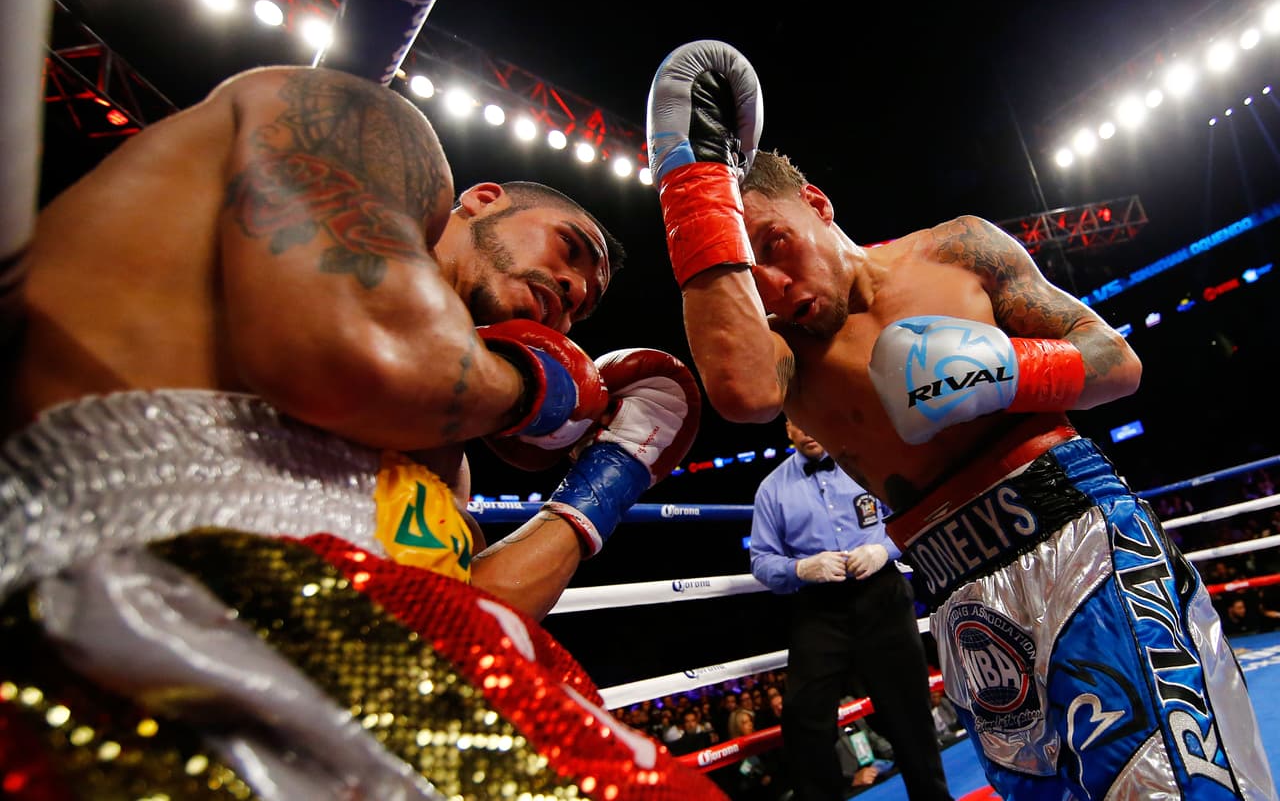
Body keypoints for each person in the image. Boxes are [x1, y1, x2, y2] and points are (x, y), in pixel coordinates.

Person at [0, 64, 717, 798]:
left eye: (581, 310)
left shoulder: (439, 456)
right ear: (481, 199)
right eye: (569, 250)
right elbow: (349, 356)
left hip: (324, 660)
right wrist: (541, 381)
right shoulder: (364, 123)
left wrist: (612, 474)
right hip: (127, 607)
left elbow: (468, 613)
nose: (569, 293)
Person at [645, 39, 1276, 800]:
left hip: (1080, 533)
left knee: (1175, 786)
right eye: (755, 274)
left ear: (816, 203)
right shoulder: (783, 356)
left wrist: (1007, 370)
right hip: (962, 597)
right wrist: (690, 181)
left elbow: (1116, 361)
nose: (776, 288)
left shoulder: (957, 249)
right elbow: (740, 389)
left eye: (776, 244)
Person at [750, 418, 951, 801]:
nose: (808, 430)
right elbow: (760, 559)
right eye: (797, 424)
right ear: (787, 430)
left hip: (882, 595)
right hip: (819, 606)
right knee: (804, 713)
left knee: (908, 710)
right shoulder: (772, 489)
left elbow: (909, 517)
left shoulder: (867, 462)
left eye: (812, 419)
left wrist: (884, 550)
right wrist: (799, 568)